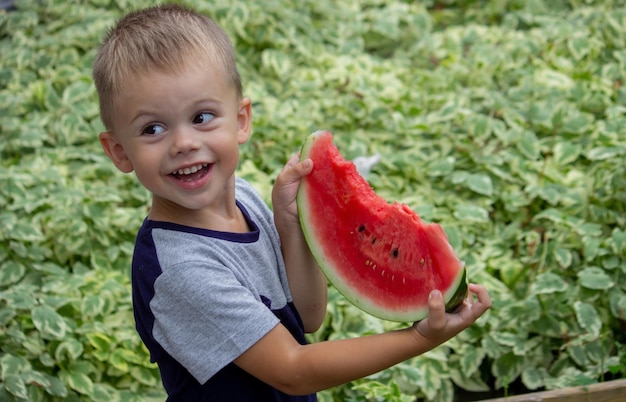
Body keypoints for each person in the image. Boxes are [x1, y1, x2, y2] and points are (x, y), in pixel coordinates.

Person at [92, 4, 491, 401]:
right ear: (119, 152)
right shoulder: (180, 271)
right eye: (153, 128)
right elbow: (293, 370)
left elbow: (307, 316)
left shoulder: (244, 197)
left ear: (241, 119)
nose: (184, 143)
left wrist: (290, 225)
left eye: (201, 117)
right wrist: (418, 339)